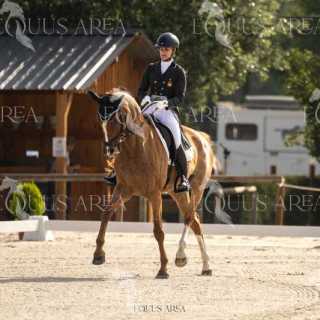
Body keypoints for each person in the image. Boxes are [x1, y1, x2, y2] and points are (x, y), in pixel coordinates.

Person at [105, 32, 191, 193]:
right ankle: (116, 172)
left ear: (173, 51)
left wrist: (167, 102)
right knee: (127, 131)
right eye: (161, 49)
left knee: (176, 139)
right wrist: (144, 98)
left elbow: (180, 97)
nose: (163, 52)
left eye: (166, 49)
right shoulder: (151, 68)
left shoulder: (179, 72)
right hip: (149, 108)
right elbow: (142, 90)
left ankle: (182, 178)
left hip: (167, 112)